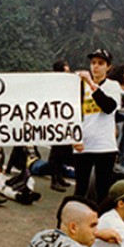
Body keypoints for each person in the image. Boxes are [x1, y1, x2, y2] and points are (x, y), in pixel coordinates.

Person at [74, 49, 121, 204]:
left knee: (103, 190)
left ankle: (101, 222)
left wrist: (91, 83)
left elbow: (108, 107)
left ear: (108, 67)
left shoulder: (113, 86)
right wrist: (73, 137)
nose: (96, 67)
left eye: (101, 63)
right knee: (80, 189)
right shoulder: (79, 86)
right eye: (93, 63)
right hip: (83, 145)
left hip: (104, 146)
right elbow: (72, 113)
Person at [48, 60, 74, 191]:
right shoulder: (54, 85)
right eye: (65, 71)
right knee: (56, 152)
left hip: (65, 121)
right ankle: (54, 179)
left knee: (64, 151)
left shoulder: (67, 85)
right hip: (56, 122)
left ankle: (59, 176)